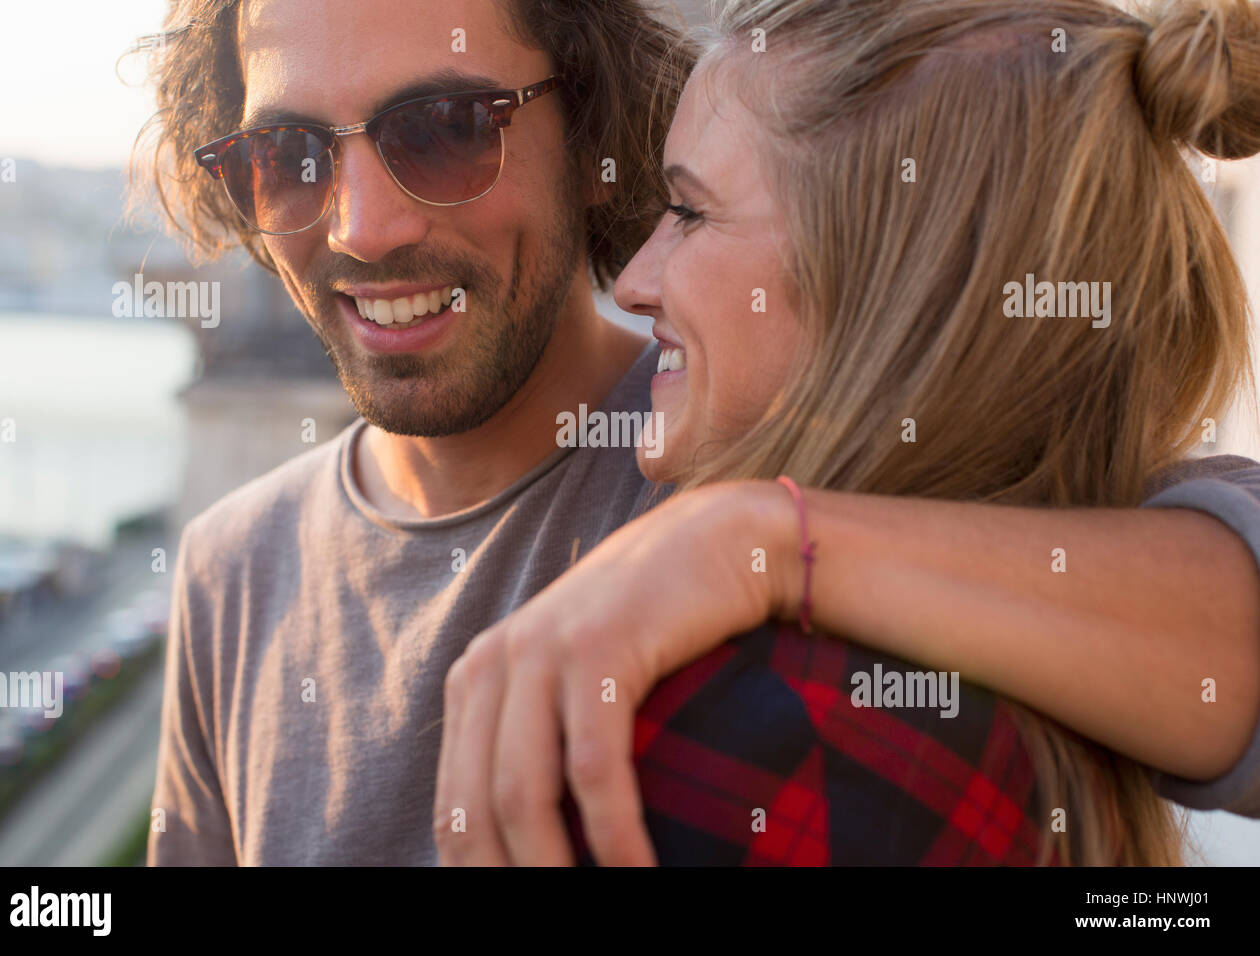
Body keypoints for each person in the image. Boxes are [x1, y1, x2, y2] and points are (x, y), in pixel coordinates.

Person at [142, 0, 1260, 866]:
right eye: (286, 155)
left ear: (589, 132)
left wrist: (753, 536)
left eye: (443, 130)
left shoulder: (777, 428)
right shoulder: (230, 567)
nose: (363, 224)